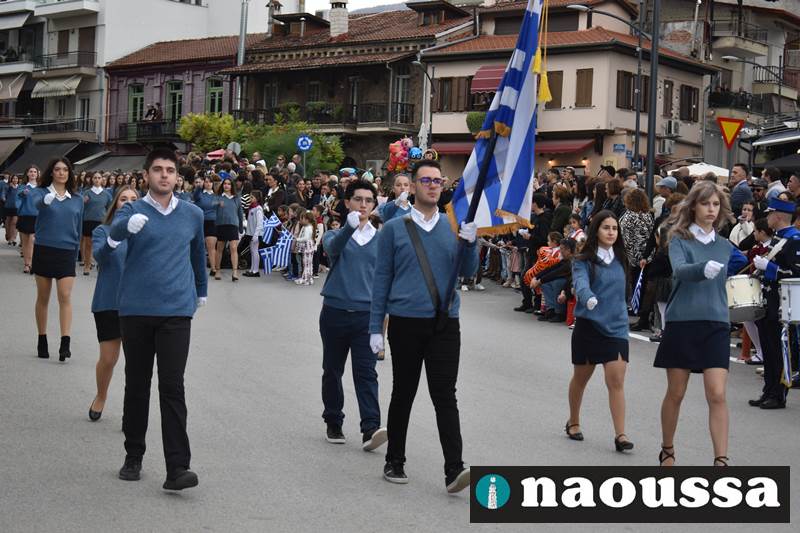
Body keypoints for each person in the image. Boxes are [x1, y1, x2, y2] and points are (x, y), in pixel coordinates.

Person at [369, 160, 478, 493]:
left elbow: (468, 271)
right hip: (405, 322)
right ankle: (395, 459)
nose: (433, 185)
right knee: (404, 392)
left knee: (445, 394)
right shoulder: (393, 228)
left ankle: (454, 469)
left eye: (437, 180)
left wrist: (470, 242)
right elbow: (382, 279)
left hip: (445, 323)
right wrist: (376, 327)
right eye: (425, 180)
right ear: (412, 187)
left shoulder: (453, 224)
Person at [107, 147, 207, 491]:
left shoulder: (192, 214)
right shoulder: (134, 209)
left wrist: (201, 290)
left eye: (170, 170)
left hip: (176, 312)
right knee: (137, 385)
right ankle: (133, 455)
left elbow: (198, 256)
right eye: (158, 170)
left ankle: (177, 467)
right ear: (147, 175)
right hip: (135, 309)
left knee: (172, 387)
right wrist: (125, 226)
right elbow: (114, 233)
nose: (165, 175)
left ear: (177, 176)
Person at [654, 181, 747, 467]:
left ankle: (721, 460)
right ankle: (667, 449)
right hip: (683, 321)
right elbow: (680, 269)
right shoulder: (679, 239)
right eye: (705, 203)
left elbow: (742, 263)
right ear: (694, 205)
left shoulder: (724, 245)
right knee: (676, 393)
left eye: (716, 204)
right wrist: (700, 269)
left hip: (716, 322)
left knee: (717, 393)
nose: (711, 209)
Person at [319, 180, 387, 450]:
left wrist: (383, 326)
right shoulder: (334, 234)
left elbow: (385, 281)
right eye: (357, 199)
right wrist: (349, 226)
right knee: (332, 370)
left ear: (373, 205)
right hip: (334, 312)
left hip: (366, 316)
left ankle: (370, 428)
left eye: (368, 200)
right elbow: (332, 251)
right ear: (347, 203)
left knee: (366, 372)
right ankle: (333, 421)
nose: (362, 205)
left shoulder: (381, 239)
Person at [566, 210, 633, 452]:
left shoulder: (622, 259)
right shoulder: (583, 259)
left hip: (616, 328)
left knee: (616, 380)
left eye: (614, 228)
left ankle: (621, 434)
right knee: (581, 379)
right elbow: (581, 283)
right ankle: (573, 420)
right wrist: (588, 297)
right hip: (589, 326)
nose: (611, 232)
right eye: (606, 227)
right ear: (597, 230)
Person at [88, 185, 138, 420]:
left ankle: (131, 411)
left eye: (133, 199)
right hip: (108, 300)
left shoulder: (143, 232)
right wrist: (115, 237)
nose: (127, 202)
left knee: (137, 363)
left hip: (138, 303)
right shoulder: (102, 230)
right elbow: (98, 255)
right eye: (123, 199)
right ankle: (101, 395)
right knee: (109, 359)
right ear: (115, 203)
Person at [26, 158, 84, 361]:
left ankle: (64, 342)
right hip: (44, 249)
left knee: (65, 296)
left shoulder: (76, 198)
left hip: (67, 250)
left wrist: (78, 252)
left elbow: (79, 226)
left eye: (65, 170)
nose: (61, 173)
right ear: (51, 172)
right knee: (43, 297)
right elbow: (36, 205)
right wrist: (46, 201)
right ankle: (42, 338)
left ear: (69, 173)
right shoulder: (40, 193)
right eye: (57, 169)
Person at [750, 197, 800, 410]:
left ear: (778, 216)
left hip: (782, 304)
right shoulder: (778, 239)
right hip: (767, 301)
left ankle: (779, 395)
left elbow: (796, 274)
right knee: (769, 350)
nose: (767, 218)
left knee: (779, 351)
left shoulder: (795, 240)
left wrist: (768, 267)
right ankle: (768, 389)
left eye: (769, 214)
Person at [81, 173, 113, 276]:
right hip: (88, 220)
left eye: (99, 178)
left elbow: (109, 208)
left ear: (102, 180)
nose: (97, 180)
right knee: (88, 244)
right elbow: (82, 207)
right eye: (95, 178)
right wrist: (83, 202)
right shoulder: (87, 192)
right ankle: (87, 264)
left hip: (101, 221)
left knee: (101, 244)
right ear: (92, 180)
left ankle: (100, 264)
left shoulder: (107, 194)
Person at [213, 177, 243, 282]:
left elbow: (240, 214)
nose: (226, 185)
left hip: (233, 225)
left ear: (232, 186)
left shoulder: (236, 198)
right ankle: (217, 270)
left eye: (229, 184)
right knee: (220, 248)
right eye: (225, 184)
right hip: (221, 225)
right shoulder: (218, 197)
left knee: (233, 248)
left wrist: (240, 228)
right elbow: (212, 209)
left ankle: (235, 271)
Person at [193, 175, 219, 278]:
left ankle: (213, 268)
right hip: (200, 222)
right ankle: (199, 268)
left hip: (212, 222)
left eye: (210, 182)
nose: (208, 184)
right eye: (206, 182)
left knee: (211, 247)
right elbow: (195, 196)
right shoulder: (200, 194)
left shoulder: (216, 195)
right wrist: (199, 186)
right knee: (199, 247)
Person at [16, 165, 41, 274]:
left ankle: (32, 263)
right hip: (25, 216)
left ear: (37, 174)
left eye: (34, 172)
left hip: (37, 217)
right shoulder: (22, 187)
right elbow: (18, 198)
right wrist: (22, 194)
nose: (32, 173)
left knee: (32, 239)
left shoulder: (41, 188)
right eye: (30, 171)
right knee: (25, 242)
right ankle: (27, 264)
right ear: (27, 174)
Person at [243, 190, 265, 277]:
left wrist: (256, 234)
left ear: (257, 198)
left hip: (255, 234)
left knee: (255, 251)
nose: (250, 199)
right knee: (252, 251)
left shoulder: (258, 209)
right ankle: (252, 269)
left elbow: (260, 223)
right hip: (251, 232)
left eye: (252, 197)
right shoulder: (252, 207)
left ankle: (256, 270)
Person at [3, 174, 19, 246]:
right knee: (8, 222)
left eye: (16, 179)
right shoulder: (8, 186)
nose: (15, 180)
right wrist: (3, 198)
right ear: (11, 179)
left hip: (16, 207)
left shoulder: (20, 187)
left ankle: (12, 239)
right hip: (8, 206)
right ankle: (8, 235)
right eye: (13, 178)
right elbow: (3, 193)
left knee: (14, 222)